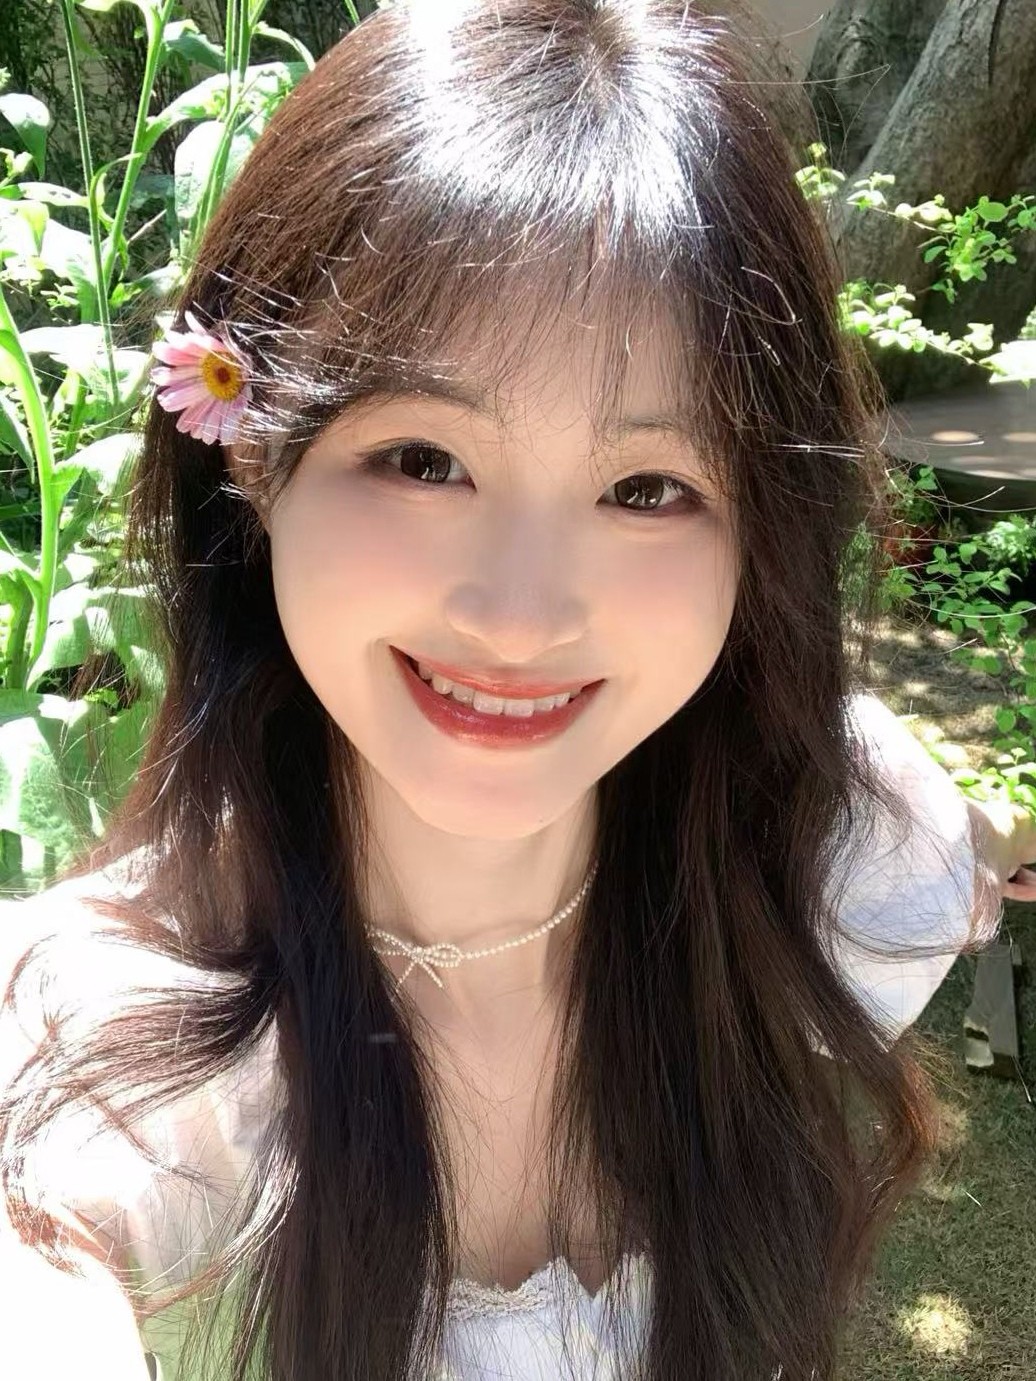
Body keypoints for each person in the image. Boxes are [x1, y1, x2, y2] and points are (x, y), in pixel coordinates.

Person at [1, 1, 1034, 1378]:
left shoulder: (809, 835)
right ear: (251, 455)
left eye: (647, 488)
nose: (522, 615)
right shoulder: (115, 1026)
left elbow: (966, 835)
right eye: (424, 460)